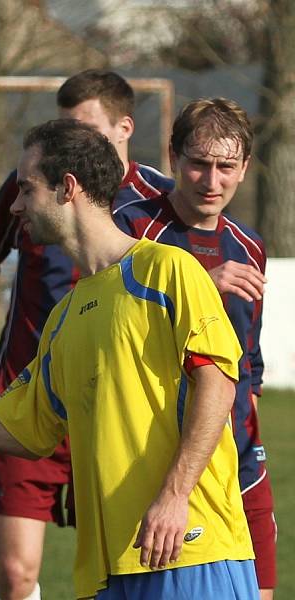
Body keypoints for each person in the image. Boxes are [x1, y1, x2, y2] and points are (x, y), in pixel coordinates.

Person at [0, 119, 257, 599]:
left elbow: (218, 385)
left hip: (190, 549)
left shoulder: (168, 269)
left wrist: (173, 497)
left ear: (67, 188)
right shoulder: (64, 316)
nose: (15, 205)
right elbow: (22, 431)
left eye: (25, 188)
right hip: (108, 569)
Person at [0, 69, 173, 600]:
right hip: (28, 397)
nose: (68, 138)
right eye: (62, 124)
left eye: (84, 127)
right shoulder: (32, 189)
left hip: (117, 416)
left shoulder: (158, 205)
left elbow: (185, 286)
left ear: (123, 128)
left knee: (124, 572)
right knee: (16, 574)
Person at [112, 98, 276, 599]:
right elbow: (113, 328)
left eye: (226, 166)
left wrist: (248, 407)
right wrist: (203, 283)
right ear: (174, 157)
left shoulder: (248, 246)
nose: (212, 180)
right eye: (199, 163)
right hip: (159, 463)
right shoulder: (132, 228)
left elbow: (248, 360)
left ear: (245, 169)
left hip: (241, 459)